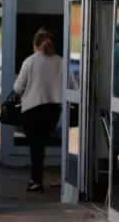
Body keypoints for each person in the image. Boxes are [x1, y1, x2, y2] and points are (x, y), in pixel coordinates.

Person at [13, 28, 78, 192]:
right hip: (54, 110)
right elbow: (73, 86)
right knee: (49, 143)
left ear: (35, 45)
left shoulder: (30, 61)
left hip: (32, 109)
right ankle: (58, 178)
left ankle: (36, 180)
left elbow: (18, 88)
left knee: (36, 146)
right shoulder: (61, 61)